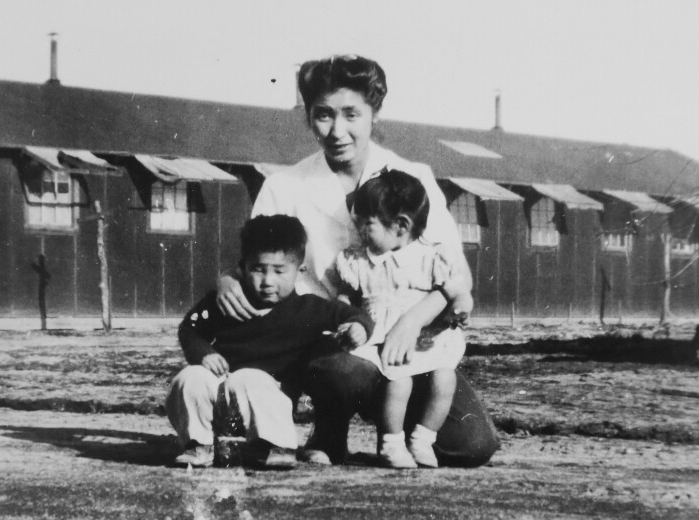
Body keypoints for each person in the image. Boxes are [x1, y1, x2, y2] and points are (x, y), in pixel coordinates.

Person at [216, 54, 500, 466]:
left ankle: (402, 430)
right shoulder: (286, 186)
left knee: (470, 445)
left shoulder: (411, 176)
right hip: (337, 346)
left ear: (374, 114)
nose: (337, 131)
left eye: (352, 114)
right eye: (323, 115)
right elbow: (250, 259)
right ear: (308, 117)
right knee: (339, 369)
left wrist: (411, 321)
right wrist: (227, 280)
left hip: (413, 342)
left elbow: (455, 274)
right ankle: (330, 431)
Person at [166, 215, 374, 468]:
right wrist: (204, 354)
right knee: (190, 377)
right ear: (242, 267)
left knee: (250, 378)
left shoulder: (308, 309)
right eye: (258, 269)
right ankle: (199, 444)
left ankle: (276, 446)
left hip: (270, 398)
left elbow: (354, 314)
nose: (267, 281)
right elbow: (191, 328)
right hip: (220, 391)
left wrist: (358, 327)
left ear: (300, 271)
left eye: (279, 271)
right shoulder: (227, 302)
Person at [331, 169, 474, 468]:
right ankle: (391, 442)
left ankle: (423, 440)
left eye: (366, 223)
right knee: (399, 381)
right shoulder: (359, 262)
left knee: (444, 378)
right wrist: (344, 317)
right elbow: (347, 297)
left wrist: (462, 308)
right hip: (382, 340)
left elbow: (457, 290)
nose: (359, 229)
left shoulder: (432, 258)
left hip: (425, 340)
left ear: (401, 226)